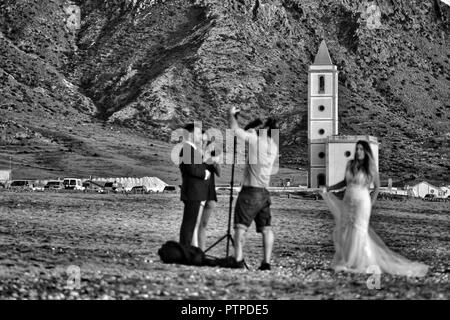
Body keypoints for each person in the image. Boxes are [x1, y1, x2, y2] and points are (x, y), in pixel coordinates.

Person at [320, 140, 428, 277]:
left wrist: (371, 202)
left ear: (366, 152)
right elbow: (344, 182)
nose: (358, 151)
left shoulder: (370, 167)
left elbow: (377, 187)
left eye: (361, 149)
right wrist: (328, 188)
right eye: (357, 149)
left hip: (362, 201)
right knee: (347, 228)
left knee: (359, 229)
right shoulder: (350, 164)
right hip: (348, 200)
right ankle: (348, 260)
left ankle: (362, 260)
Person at [228, 106, 279, 271]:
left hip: (250, 191)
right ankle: (266, 262)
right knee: (266, 229)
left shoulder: (257, 142)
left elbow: (234, 130)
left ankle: (238, 259)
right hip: (265, 191)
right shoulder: (273, 147)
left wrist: (232, 115)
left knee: (240, 227)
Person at [178, 123, 211, 246]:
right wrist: (205, 174)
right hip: (193, 190)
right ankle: (186, 248)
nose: (200, 136)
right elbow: (191, 169)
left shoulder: (191, 149)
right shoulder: (187, 148)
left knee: (191, 222)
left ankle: (189, 248)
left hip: (194, 191)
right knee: (189, 223)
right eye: (197, 133)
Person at [192, 131, 221, 251]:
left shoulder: (212, 154)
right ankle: (195, 249)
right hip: (199, 191)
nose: (204, 143)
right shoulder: (194, 153)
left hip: (210, 191)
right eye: (202, 141)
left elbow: (219, 173)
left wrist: (215, 162)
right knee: (195, 223)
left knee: (203, 224)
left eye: (206, 141)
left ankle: (201, 251)